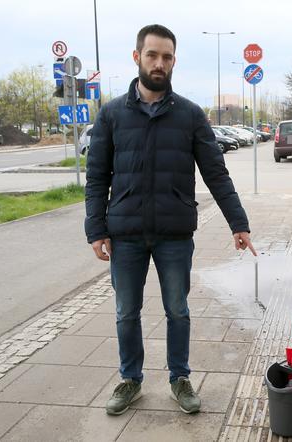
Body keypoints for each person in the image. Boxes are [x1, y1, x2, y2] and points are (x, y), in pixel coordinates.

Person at [84, 24, 256, 416]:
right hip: (124, 234)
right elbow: (97, 177)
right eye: (152, 55)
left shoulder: (190, 115)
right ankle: (131, 379)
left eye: (166, 57)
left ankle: (180, 377)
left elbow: (216, 174)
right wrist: (96, 228)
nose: (159, 63)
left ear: (174, 61)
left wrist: (238, 224)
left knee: (177, 309)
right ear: (137, 57)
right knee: (126, 311)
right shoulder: (111, 115)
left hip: (175, 235)